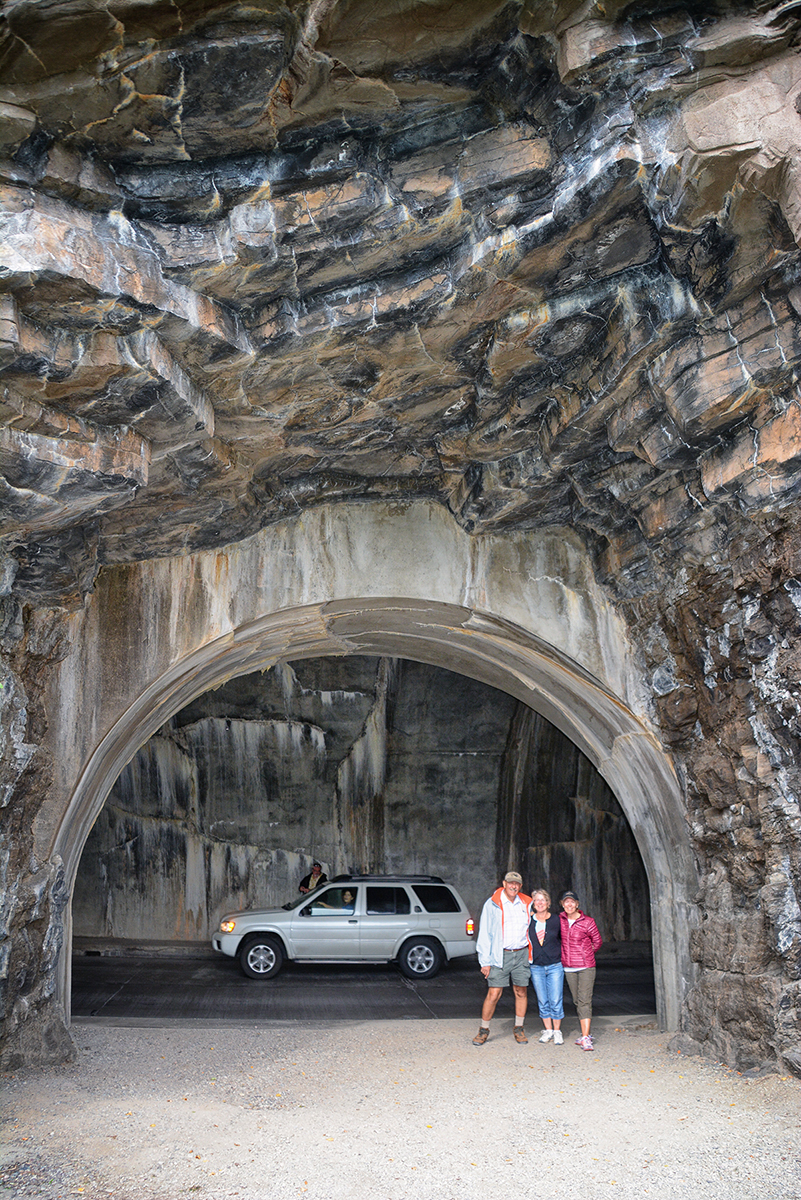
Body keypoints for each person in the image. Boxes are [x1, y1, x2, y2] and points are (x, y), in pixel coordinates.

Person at [472, 871, 533, 1045]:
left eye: (517, 884)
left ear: (520, 886)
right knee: (494, 993)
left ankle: (519, 1028)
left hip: (521, 953)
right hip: (500, 954)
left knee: (521, 991)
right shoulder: (492, 904)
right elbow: (485, 933)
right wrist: (485, 961)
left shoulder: (527, 903)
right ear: (504, 884)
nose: (514, 886)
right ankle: (483, 1030)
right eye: (510, 883)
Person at [560, 890, 602, 1051]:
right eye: (566, 902)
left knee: (584, 1001)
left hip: (585, 966)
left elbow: (597, 941)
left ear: (577, 904)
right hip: (568, 967)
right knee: (577, 1000)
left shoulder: (588, 922)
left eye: (572, 902)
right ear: (562, 904)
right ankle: (586, 1034)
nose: (569, 904)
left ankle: (585, 1037)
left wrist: (587, 953)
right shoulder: (560, 920)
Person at [528, 888, 564, 1044]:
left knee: (555, 999)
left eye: (543, 900)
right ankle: (548, 1030)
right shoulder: (529, 920)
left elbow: (565, 939)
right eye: (537, 900)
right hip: (536, 966)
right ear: (533, 904)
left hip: (555, 965)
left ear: (548, 903)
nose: (540, 903)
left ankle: (557, 1031)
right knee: (543, 1000)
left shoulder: (556, 920)